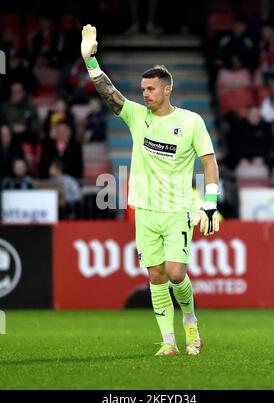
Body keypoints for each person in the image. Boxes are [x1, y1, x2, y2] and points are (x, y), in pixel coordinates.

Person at [81, 24, 220, 356]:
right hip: (144, 209)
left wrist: (210, 204)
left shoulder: (191, 122)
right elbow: (108, 92)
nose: (144, 94)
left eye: (151, 89)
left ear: (167, 89)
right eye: (143, 89)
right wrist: (90, 61)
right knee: (156, 275)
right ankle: (168, 342)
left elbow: (210, 163)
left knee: (175, 273)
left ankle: (189, 320)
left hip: (177, 211)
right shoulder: (136, 116)